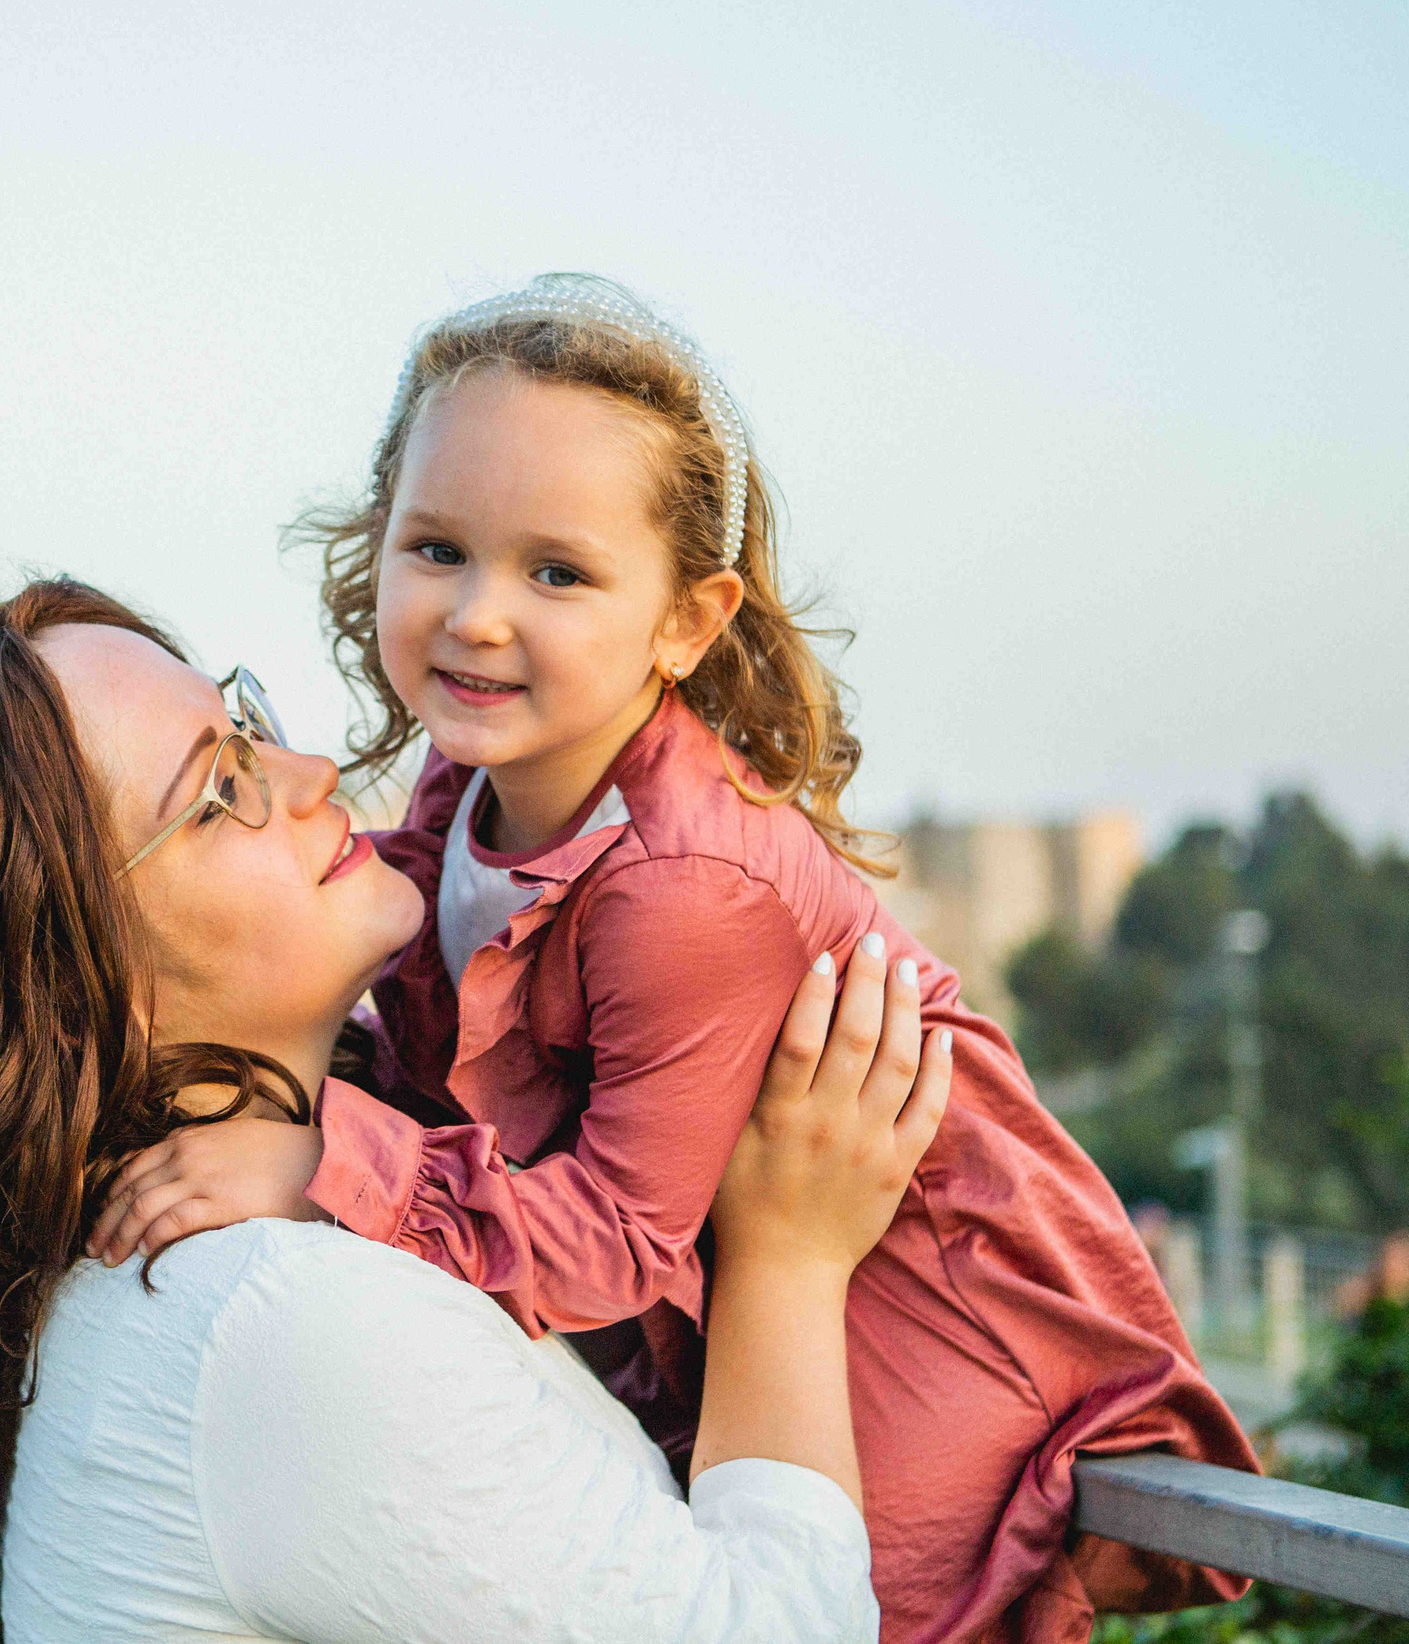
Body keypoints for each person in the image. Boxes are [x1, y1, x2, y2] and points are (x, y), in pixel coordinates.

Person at [89, 277, 1258, 1643]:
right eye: (438, 549)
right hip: (758, 1268)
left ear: (687, 623)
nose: (476, 613)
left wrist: (320, 1159)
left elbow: (623, 1235)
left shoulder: (684, 885)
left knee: (887, 1596)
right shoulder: (472, 770)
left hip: (908, 1285)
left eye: (558, 572)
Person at [0, 578, 951, 1644]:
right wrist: (787, 1258)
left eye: (247, 722)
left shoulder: (218, 1265)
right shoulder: (271, 1320)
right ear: (66, 987)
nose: (309, 776)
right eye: (219, 791)